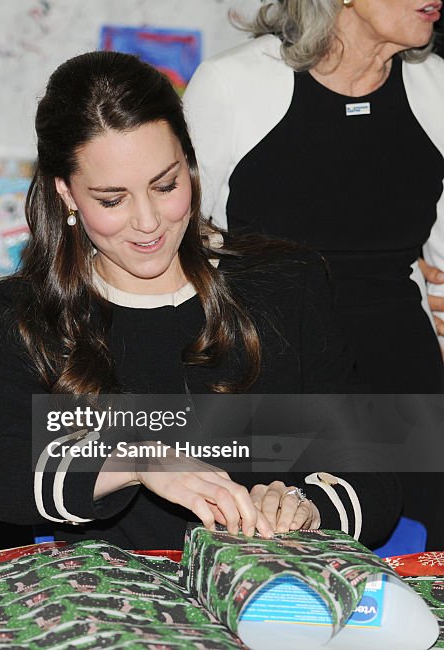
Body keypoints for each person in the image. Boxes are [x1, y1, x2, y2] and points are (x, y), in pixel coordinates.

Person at [0, 51, 400, 551]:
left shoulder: (284, 284)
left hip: (270, 601)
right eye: (113, 200)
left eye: (165, 185)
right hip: (121, 612)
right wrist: (138, 459)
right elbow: (1, 478)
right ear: (66, 193)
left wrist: (306, 508)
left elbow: (376, 475)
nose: (148, 221)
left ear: (190, 167)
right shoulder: (34, 311)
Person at [182, 0, 444, 548]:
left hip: (405, 379)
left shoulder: (438, 87)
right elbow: (180, 244)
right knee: (269, 560)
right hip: (270, 376)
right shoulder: (231, 84)